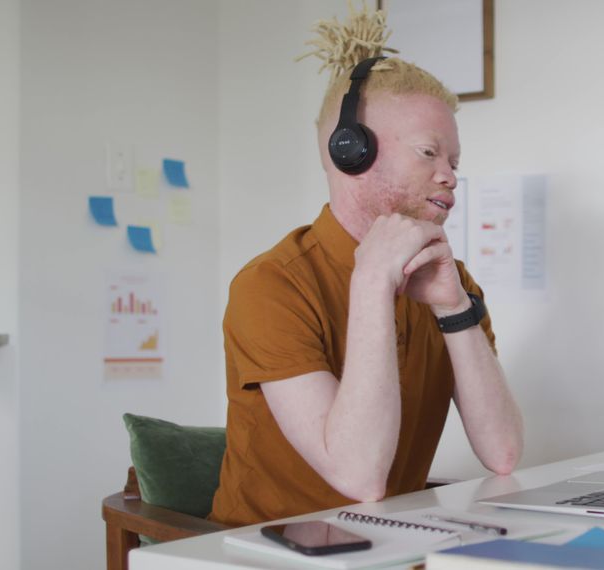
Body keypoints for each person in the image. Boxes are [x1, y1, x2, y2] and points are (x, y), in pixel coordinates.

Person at [209, 6, 523, 527]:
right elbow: (360, 476)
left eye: (455, 163)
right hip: (268, 555)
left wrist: (454, 308)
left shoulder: (453, 282)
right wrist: (373, 281)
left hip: (391, 544)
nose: (449, 177)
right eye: (430, 153)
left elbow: (504, 453)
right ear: (350, 152)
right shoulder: (270, 286)